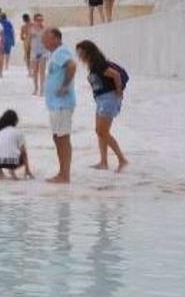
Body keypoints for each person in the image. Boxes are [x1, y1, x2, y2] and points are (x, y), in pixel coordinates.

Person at [76, 40, 129, 172]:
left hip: (108, 99)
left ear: (88, 52)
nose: (79, 55)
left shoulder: (100, 65)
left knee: (102, 131)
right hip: (101, 100)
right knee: (100, 132)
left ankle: (122, 159)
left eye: (81, 52)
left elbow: (116, 75)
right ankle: (103, 162)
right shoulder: (93, 65)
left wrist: (119, 92)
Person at [43, 28, 77, 184]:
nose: (44, 42)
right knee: (58, 138)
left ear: (56, 39)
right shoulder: (56, 53)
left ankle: (65, 175)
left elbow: (72, 66)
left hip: (62, 104)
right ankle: (62, 173)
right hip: (56, 104)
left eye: (47, 39)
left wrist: (65, 86)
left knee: (62, 138)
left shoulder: (60, 51)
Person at [0, 109, 34, 180]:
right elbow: (23, 152)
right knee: (20, 155)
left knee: (2, 152)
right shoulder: (17, 132)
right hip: (12, 162)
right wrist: (27, 169)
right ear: (15, 121)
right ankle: (11, 171)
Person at [29, 13, 48, 96]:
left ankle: (42, 89)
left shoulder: (45, 30)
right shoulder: (31, 29)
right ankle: (36, 88)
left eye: (41, 20)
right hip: (34, 53)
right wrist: (27, 52)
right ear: (35, 21)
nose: (40, 22)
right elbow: (28, 41)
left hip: (43, 52)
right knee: (35, 71)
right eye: (38, 20)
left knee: (42, 72)